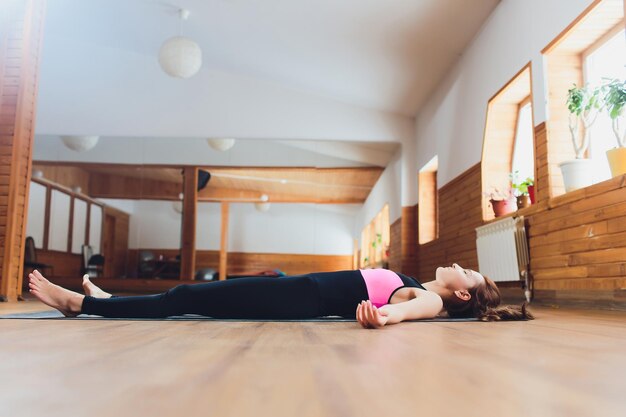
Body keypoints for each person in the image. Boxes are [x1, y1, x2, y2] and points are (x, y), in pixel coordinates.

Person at [27, 263, 533, 328]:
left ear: (463, 296)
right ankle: (105, 298)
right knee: (185, 295)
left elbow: (410, 311)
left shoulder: (433, 299)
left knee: (183, 298)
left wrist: (384, 319)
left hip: (300, 299)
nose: (460, 264)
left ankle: (80, 304)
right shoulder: (427, 287)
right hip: (297, 290)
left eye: (469, 270)